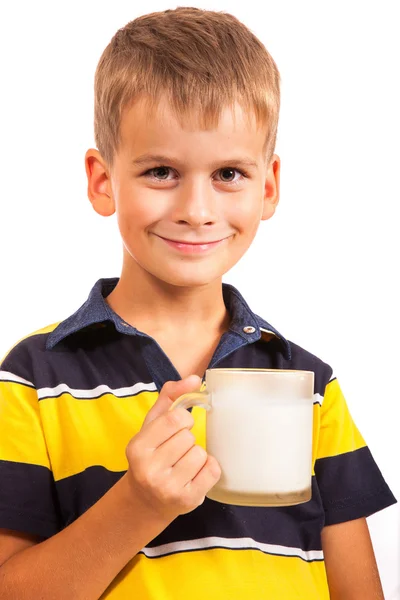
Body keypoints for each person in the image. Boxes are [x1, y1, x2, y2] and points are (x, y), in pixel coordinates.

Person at [0, 7, 396, 599]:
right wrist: (136, 505)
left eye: (229, 173)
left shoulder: (309, 384)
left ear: (269, 187)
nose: (198, 209)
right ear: (103, 181)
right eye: (161, 170)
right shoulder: (34, 380)